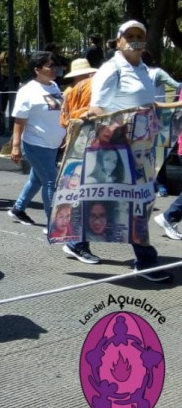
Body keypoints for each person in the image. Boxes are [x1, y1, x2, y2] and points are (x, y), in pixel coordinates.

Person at [63, 20, 171, 282]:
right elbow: (98, 108)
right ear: (119, 40)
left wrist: (162, 107)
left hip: (142, 147)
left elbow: (145, 101)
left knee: (120, 201)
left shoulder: (144, 69)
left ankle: (77, 241)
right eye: (130, 35)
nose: (135, 39)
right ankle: (145, 259)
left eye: (140, 35)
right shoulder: (111, 69)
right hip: (118, 146)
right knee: (134, 203)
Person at [8, 52, 65, 228]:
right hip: (35, 144)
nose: (53, 69)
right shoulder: (27, 91)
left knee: (36, 179)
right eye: (49, 66)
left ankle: (18, 208)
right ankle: (53, 224)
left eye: (54, 65)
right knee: (50, 181)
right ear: (37, 69)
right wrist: (16, 146)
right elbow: (19, 120)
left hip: (53, 144)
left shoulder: (54, 86)